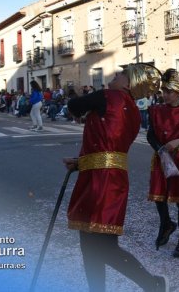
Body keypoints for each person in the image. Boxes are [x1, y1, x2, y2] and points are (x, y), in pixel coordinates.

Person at [63, 63, 167, 292]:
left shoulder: (109, 96)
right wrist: (81, 162)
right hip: (112, 178)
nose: (115, 75)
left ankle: (152, 284)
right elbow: (109, 150)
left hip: (100, 181)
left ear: (129, 83)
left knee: (99, 245)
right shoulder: (133, 112)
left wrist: (79, 92)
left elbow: (74, 106)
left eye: (121, 74)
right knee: (95, 243)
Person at [147, 69, 179, 258]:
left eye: (169, 92)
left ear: (178, 93)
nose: (165, 95)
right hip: (161, 158)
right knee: (159, 198)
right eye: (163, 91)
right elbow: (150, 135)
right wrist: (160, 150)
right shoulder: (155, 111)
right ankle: (166, 224)